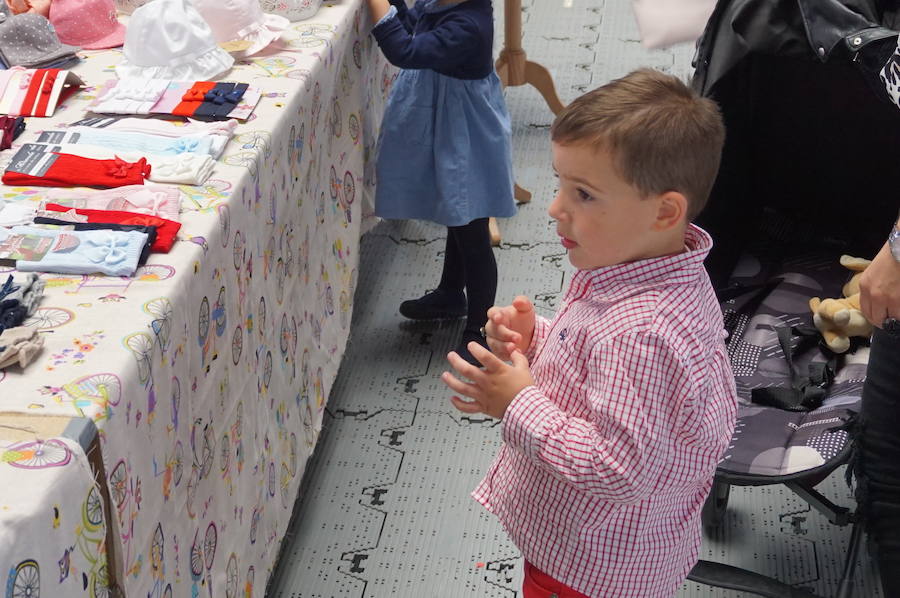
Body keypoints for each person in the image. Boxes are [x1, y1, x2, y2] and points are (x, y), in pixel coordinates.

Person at [441, 68, 739, 598]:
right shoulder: (664, 271)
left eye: (582, 194)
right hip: (619, 547)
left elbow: (619, 468)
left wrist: (517, 402)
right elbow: (609, 370)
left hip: (590, 567)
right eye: (560, 184)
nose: (556, 208)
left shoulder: (642, 331)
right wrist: (539, 339)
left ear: (665, 211)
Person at [365, 0, 516, 365]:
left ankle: (480, 329)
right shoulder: (446, 4)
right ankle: (451, 293)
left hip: (466, 136)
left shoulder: (469, 26)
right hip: (449, 126)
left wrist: (377, 5)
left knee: (471, 230)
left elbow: (405, 49)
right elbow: (415, 21)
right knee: (457, 215)